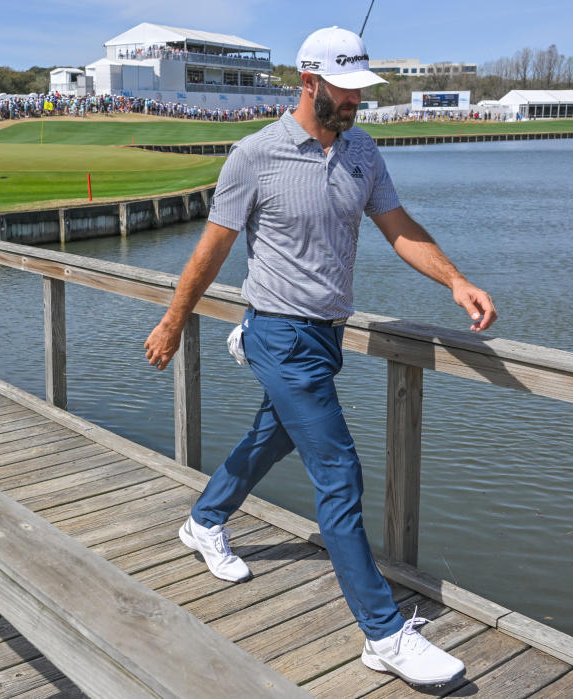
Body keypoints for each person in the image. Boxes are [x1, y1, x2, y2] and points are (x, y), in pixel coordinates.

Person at [143, 26, 496, 688]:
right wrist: (171, 321)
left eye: (363, 89)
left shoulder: (363, 151)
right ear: (309, 83)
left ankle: (204, 519)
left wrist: (454, 278)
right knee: (339, 472)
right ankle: (383, 632)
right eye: (347, 88)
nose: (358, 101)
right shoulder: (254, 156)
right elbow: (212, 251)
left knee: (272, 436)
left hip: (324, 336)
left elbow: (399, 228)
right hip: (277, 333)